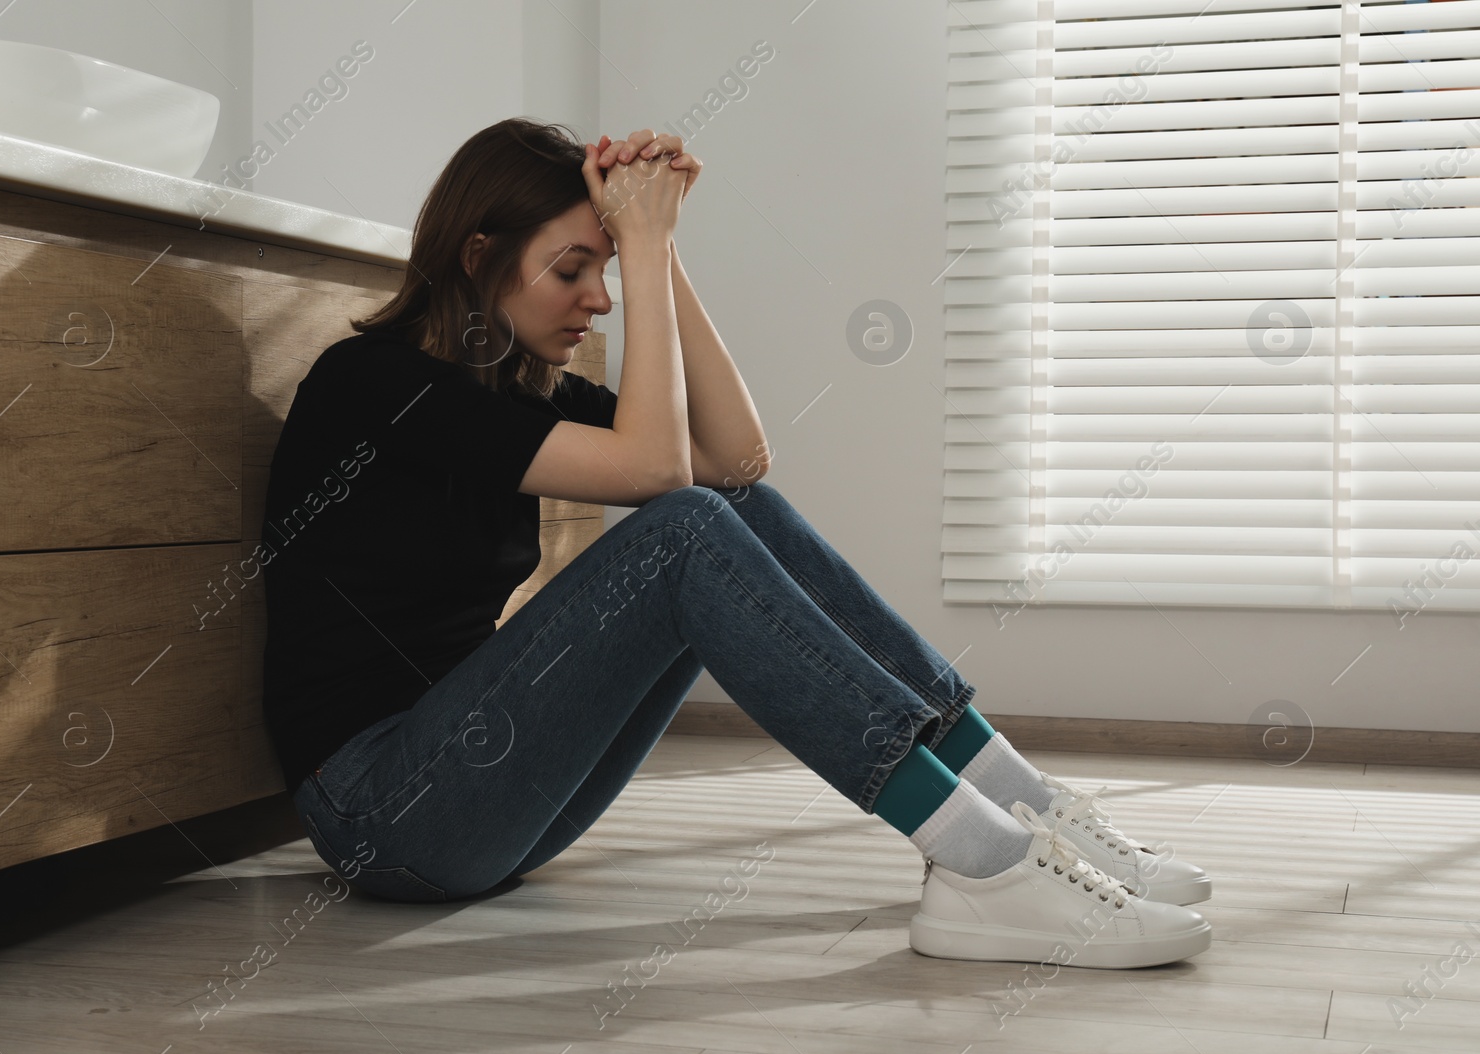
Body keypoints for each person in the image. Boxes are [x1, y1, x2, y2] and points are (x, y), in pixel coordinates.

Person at [259, 117, 1213, 969]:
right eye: (572, 270)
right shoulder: (373, 383)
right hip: (385, 810)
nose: (598, 299)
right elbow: (658, 479)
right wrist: (637, 235)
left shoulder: (514, 392)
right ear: (477, 257)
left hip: (485, 795)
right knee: (683, 525)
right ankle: (986, 865)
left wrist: (659, 252)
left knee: (732, 507)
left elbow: (735, 457)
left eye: (606, 269)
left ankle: (1023, 806)